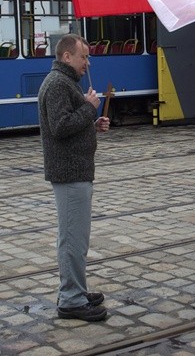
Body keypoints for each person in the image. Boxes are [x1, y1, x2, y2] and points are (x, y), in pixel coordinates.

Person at [38, 33, 110, 321]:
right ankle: (70, 299)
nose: (87, 62)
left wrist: (91, 125)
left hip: (76, 170)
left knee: (77, 238)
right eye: (84, 57)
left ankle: (76, 290)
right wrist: (89, 108)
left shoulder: (65, 83)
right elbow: (60, 126)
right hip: (69, 173)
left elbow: (70, 125)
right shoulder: (58, 85)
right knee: (72, 239)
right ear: (67, 57)